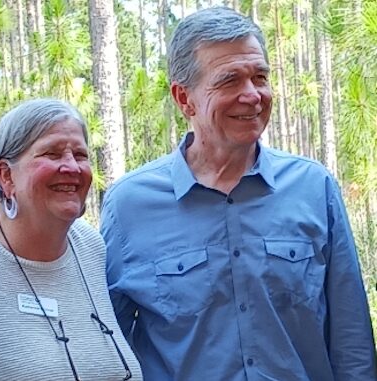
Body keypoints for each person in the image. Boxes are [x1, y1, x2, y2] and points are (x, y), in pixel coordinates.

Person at [101, 6, 376, 381]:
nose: (252, 95)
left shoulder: (313, 188)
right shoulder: (129, 205)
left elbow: (351, 341)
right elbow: (108, 348)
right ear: (185, 98)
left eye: (259, 77)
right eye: (229, 80)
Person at [0, 98, 142, 381]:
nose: (72, 167)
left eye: (80, 155)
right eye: (52, 154)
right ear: (6, 176)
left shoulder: (89, 246)